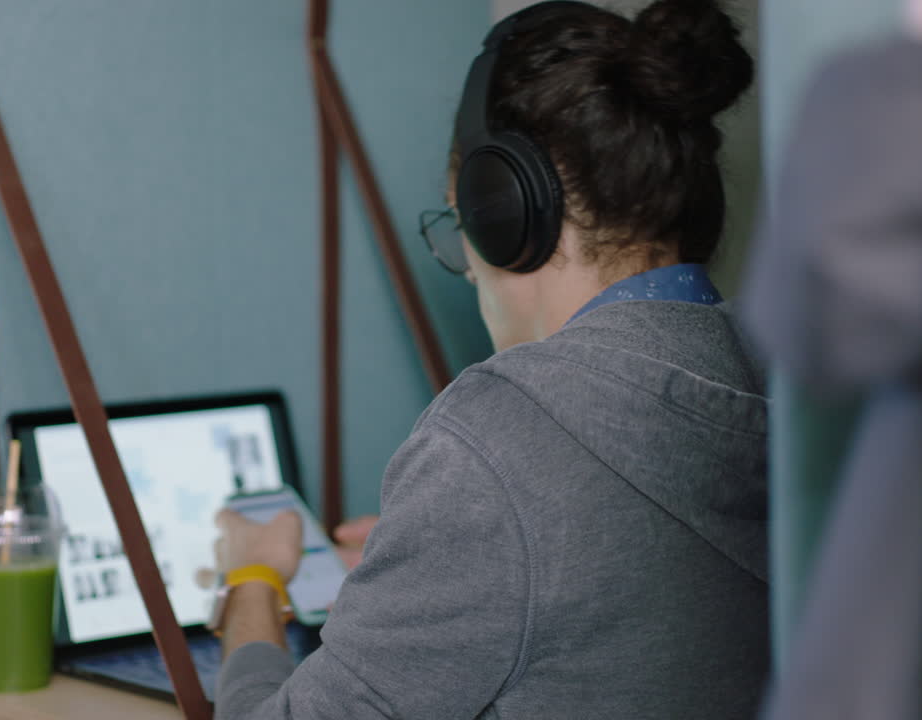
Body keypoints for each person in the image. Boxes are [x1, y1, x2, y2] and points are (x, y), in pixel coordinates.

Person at [210, 1, 769, 717]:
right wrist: (433, 559)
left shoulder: (499, 441)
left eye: (459, 219)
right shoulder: (790, 390)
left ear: (501, 207)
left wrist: (253, 580)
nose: (470, 271)